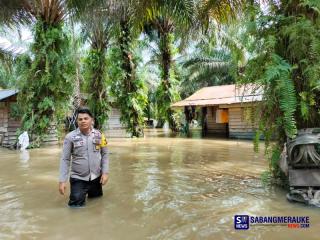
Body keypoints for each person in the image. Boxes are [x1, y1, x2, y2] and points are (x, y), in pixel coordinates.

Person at [58, 107, 109, 207]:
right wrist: (62, 180)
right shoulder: (70, 137)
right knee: (75, 208)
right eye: (80, 119)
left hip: (96, 178)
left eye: (86, 118)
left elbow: (105, 154)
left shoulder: (99, 135)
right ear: (77, 121)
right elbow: (65, 159)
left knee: (97, 205)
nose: (83, 121)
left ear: (92, 120)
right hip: (78, 179)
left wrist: (105, 172)